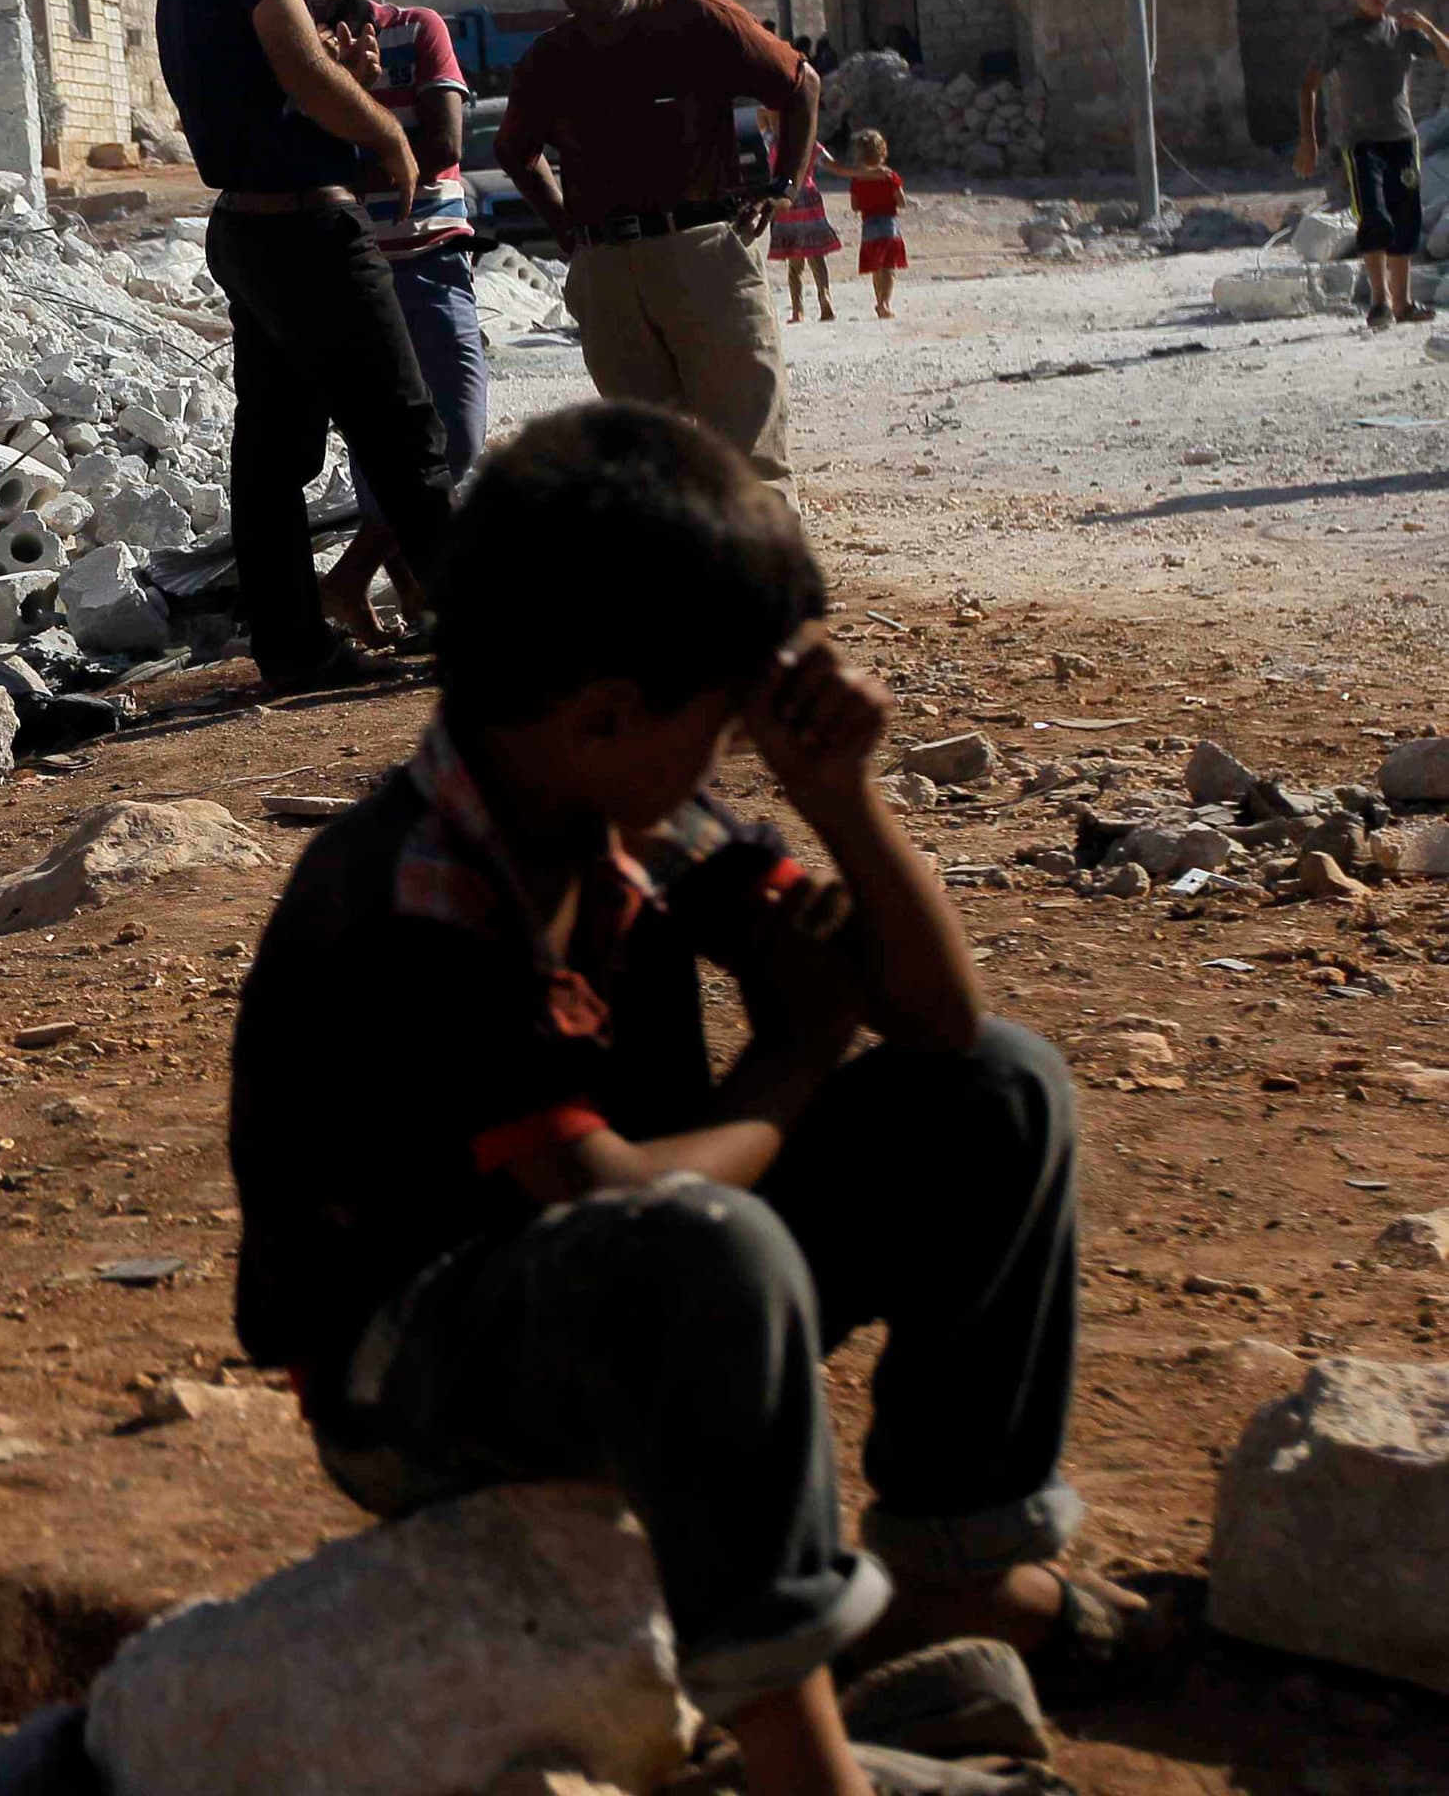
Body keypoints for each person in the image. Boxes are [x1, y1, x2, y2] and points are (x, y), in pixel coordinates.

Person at [228, 401, 1162, 1796]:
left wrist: (841, 796)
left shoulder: (632, 814)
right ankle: (799, 1759)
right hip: (420, 1371)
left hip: (642, 1276)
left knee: (998, 1090)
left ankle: (958, 1571)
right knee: (702, 1248)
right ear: (607, 713)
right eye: (720, 723)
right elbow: (602, 1194)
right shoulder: (417, 893)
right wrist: (789, 1066)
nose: (730, 756)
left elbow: (930, 1018)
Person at [155, 0, 458, 694]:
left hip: (249, 226)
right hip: (305, 227)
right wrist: (385, 130)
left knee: (272, 454)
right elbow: (296, 59)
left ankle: (295, 649)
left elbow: (274, 84)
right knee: (407, 432)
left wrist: (337, 94)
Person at [498, 0, 820, 495]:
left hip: (707, 254)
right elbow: (516, 154)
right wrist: (571, 236)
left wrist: (784, 187)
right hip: (610, 272)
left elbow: (800, 83)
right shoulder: (550, 59)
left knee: (747, 452)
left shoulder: (697, 21)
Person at [293, 0, 485, 646]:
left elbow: (439, 144)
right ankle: (418, 601)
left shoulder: (416, 27)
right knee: (381, 444)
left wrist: (345, 120)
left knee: (457, 434)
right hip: (348, 264)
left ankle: (346, 579)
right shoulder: (291, 48)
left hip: (430, 259)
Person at [1295, 0, 1448, 329]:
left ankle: (1404, 304)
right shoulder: (1342, 37)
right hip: (1362, 144)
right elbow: (1308, 86)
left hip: (1402, 141)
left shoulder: (1404, 35)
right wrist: (1308, 141)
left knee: (1406, 221)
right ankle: (1379, 303)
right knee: (1375, 218)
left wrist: (1428, 27)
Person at [758, 107, 843, 325]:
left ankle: (797, 311)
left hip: (787, 201)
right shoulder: (811, 146)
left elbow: (761, 118)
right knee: (817, 255)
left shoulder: (775, 145)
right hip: (810, 200)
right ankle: (825, 297)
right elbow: (832, 165)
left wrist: (772, 112)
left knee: (795, 265)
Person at [846, 131, 906, 319]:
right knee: (889, 266)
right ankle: (885, 302)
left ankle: (879, 299)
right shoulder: (890, 176)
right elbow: (901, 202)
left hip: (869, 223)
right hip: (888, 222)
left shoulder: (858, 179)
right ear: (882, 151)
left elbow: (855, 206)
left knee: (876, 265)